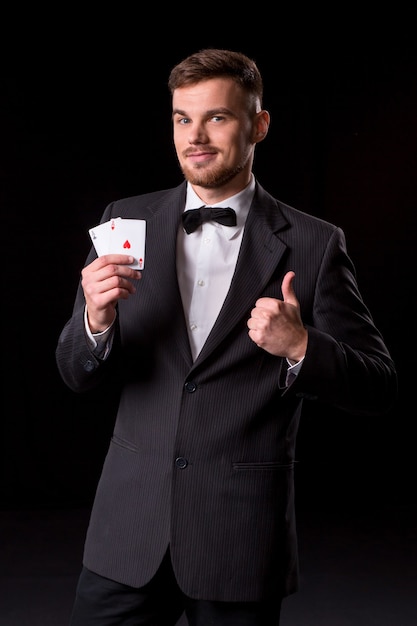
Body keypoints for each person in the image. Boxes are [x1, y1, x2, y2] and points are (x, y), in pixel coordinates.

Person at [56, 48, 397, 626]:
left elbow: (379, 385)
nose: (197, 136)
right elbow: (74, 371)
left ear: (259, 125)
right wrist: (96, 320)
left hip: (238, 537)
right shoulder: (124, 219)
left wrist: (302, 346)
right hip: (128, 532)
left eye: (218, 117)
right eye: (183, 119)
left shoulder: (315, 244)